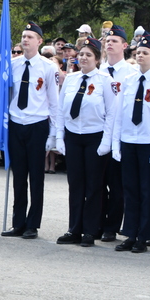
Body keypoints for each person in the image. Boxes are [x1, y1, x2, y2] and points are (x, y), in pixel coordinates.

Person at [54, 38, 116, 247]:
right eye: (81, 54)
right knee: (76, 185)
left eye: (89, 55)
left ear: (97, 59)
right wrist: (59, 137)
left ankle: (90, 231)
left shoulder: (105, 81)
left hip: (95, 137)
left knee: (94, 187)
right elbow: (61, 110)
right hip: (73, 136)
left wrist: (106, 141)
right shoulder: (71, 80)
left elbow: (111, 113)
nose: (83, 58)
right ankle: (74, 229)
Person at [113, 35, 150, 254]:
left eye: (145, 53)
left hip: (148, 143)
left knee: (147, 191)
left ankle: (143, 236)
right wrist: (116, 143)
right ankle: (130, 233)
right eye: (138, 53)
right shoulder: (128, 80)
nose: (140, 55)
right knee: (130, 190)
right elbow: (120, 113)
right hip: (128, 140)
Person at [2, 22, 59, 239]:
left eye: (30, 37)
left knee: (36, 177)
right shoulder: (13, 65)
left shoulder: (48, 67)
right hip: (17, 123)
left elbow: (54, 103)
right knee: (18, 177)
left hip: (37, 124)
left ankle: (32, 224)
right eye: (23, 36)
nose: (25, 40)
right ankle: (18, 222)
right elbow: (6, 97)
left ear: (40, 41)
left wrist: (54, 133)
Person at [98, 25, 133, 242]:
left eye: (115, 41)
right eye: (107, 41)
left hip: (119, 136)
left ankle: (112, 226)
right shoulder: (98, 71)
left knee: (117, 185)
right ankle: (98, 223)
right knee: (98, 184)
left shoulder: (131, 73)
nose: (109, 44)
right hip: (98, 134)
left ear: (125, 46)